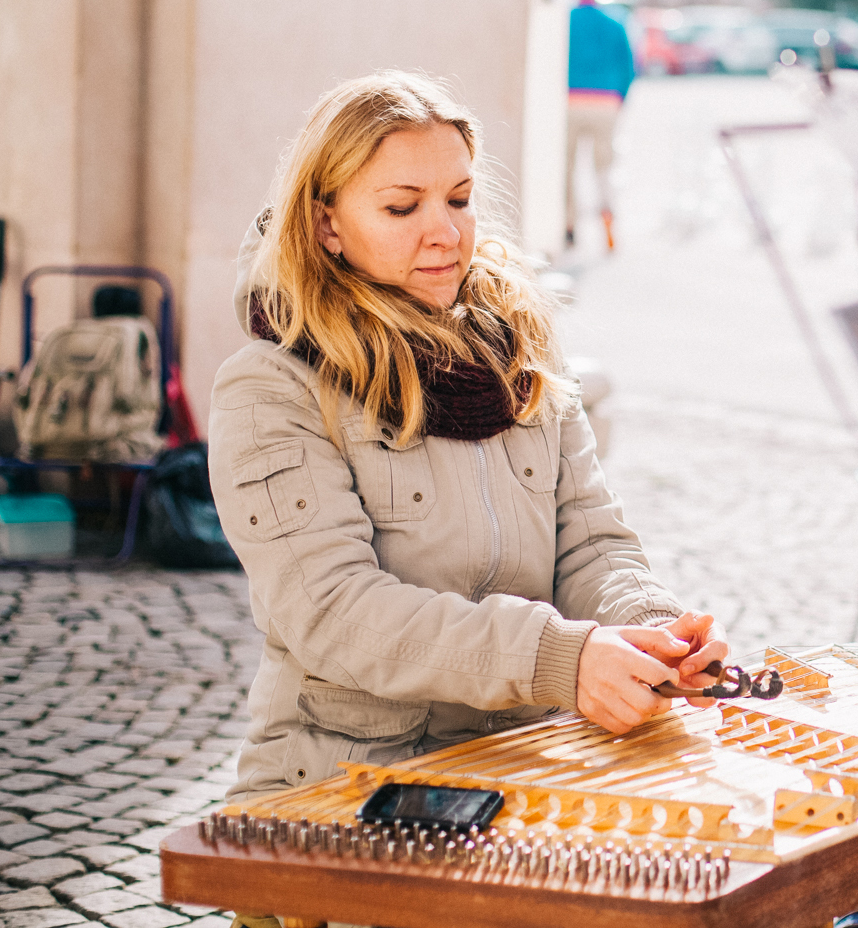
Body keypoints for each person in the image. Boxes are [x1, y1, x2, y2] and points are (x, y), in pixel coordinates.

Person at [209, 72, 726, 827]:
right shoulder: (270, 387)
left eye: (458, 198)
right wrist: (563, 659)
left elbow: (589, 542)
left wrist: (649, 630)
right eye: (400, 206)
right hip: (345, 787)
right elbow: (336, 615)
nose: (444, 231)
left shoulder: (518, 353)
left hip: (519, 767)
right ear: (327, 225)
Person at [566, 0, 636, 251]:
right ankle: (608, 225)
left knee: (565, 168)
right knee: (604, 169)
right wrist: (618, 100)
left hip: (569, 102)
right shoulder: (615, 21)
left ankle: (568, 226)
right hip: (605, 103)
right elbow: (629, 67)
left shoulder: (565, 20)